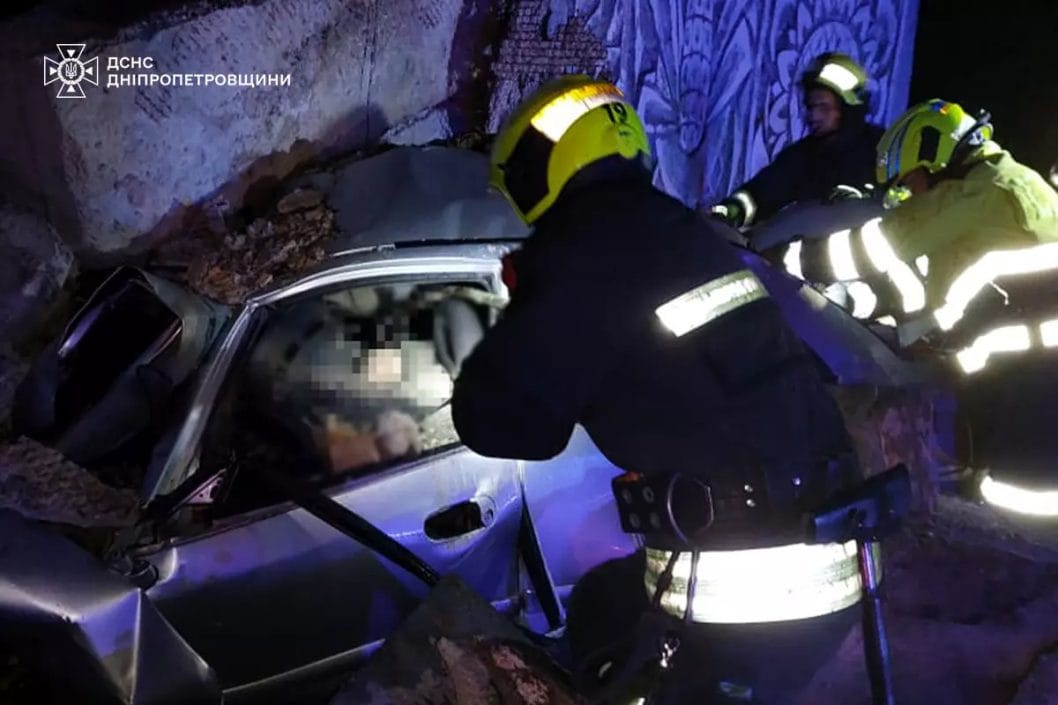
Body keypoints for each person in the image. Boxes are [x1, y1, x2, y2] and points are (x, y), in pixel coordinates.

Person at [451, 74, 870, 704]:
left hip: (754, 586)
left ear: (538, 168)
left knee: (622, 655)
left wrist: (520, 322)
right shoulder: (676, 231)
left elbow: (511, 424)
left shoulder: (586, 246)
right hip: (828, 550)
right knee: (601, 607)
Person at [780, 98, 1058, 516]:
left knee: (1009, 507)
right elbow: (944, 284)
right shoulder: (1019, 182)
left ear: (935, 160)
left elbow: (876, 246)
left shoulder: (971, 194)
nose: (910, 195)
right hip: (1030, 366)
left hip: (1022, 377)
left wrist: (784, 257)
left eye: (911, 182)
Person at [709, 52, 885, 233]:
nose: (813, 116)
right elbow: (763, 192)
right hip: (813, 248)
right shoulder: (802, 156)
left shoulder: (883, 149)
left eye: (823, 107)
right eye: (810, 107)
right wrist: (729, 211)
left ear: (848, 109)